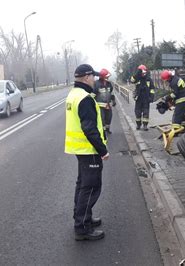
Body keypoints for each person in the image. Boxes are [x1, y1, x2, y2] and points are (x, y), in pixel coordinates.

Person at [65, 64, 109, 241]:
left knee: (83, 185)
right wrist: (102, 150)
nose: (95, 80)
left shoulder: (74, 94)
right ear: (86, 78)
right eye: (93, 77)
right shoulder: (85, 98)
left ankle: (84, 218)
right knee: (90, 188)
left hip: (81, 149)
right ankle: (82, 227)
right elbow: (90, 128)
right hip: (88, 149)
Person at [130, 64, 155, 130]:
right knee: (137, 113)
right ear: (139, 72)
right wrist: (137, 74)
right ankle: (138, 125)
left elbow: (152, 89)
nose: (144, 74)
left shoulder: (149, 79)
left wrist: (151, 97)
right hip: (138, 99)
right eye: (142, 72)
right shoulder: (137, 79)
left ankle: (145, 126)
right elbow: (132, 80)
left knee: (146, 113)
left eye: (145, 72)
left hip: (146, 99)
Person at [94, 68, 116, 134]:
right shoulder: (96, 84)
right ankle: (102, 131)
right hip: (100, 106)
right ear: (103, 76)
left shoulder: (109, 84)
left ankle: (107, 129)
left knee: (109, 117)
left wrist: (113, 100)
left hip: (108, 105)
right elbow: (92, 94)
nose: (108, 77)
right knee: (102, 119)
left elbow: (111, 93)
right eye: (107, 76)